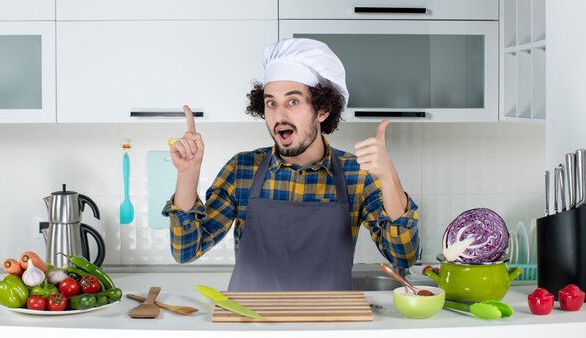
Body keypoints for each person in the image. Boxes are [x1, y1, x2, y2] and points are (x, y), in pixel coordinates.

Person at [162, 38, 419, 291]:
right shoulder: (242, 170)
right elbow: (186, 250)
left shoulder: (356, 175)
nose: (279, 115)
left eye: (293, 101)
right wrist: (188, 174)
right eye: (271, 102)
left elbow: (403, 257)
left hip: (327, 324)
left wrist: (389, 177)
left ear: (322, 110)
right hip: (254, 324)